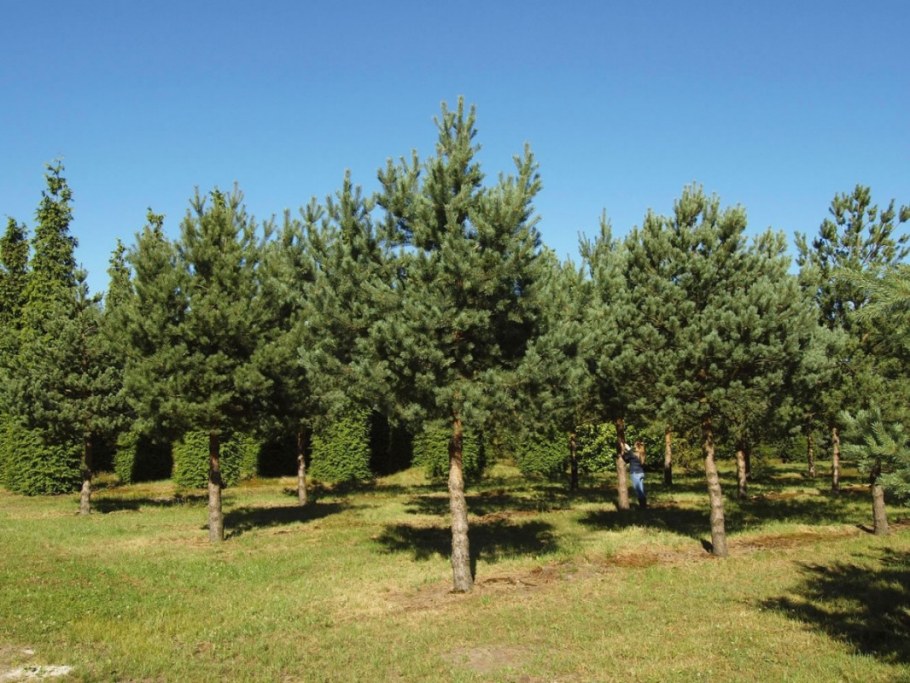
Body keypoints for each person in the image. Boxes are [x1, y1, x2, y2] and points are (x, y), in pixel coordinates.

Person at [621, 440, 647, 508]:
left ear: (637, 447)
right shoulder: (642, 454)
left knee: (638, 491)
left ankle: (642, 507)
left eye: (635, 446)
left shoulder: (633, 454)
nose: (634, 447)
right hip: (641, 473)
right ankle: (644, 505)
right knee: (641, 490)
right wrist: (628, 451)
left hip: (635, 474)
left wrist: (625, 449)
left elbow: (624, 457)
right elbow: (628, 459)